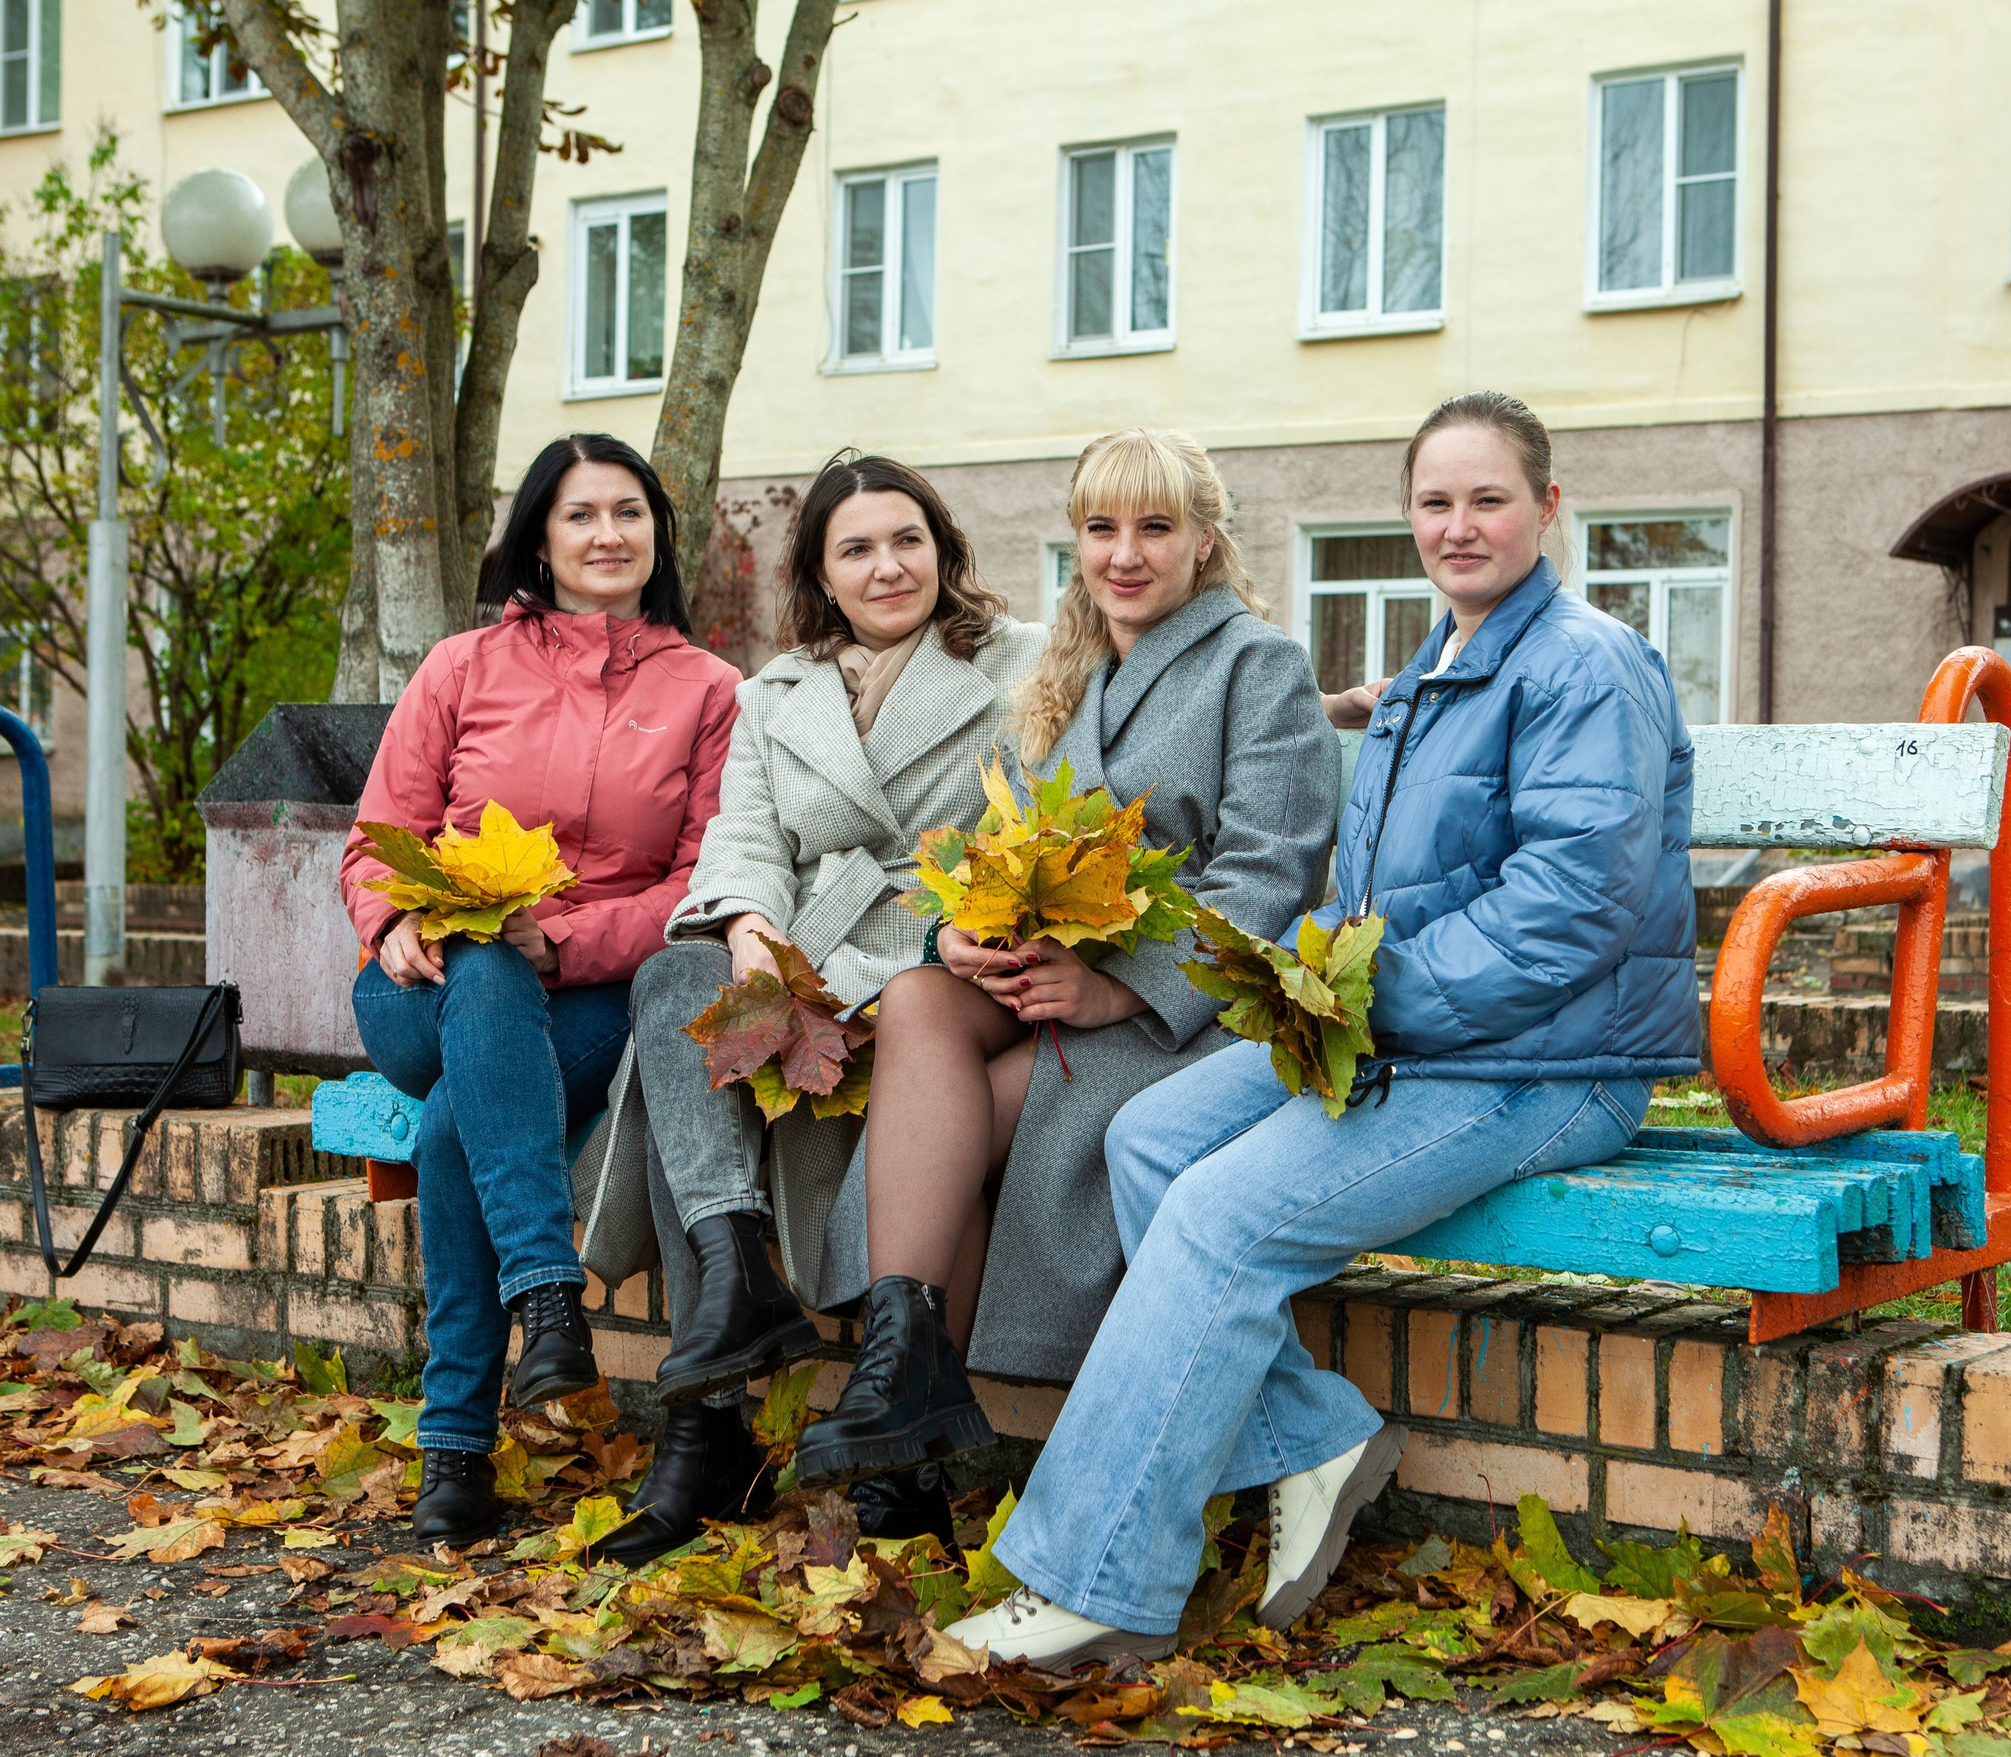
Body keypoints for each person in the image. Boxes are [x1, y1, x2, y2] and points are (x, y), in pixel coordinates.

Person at [948, 392, 1702, 1666]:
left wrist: (1360, 996)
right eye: (1433, 501)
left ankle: (1096, 1581)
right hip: (1420, 1037)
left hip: (1552, 1062)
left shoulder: (1586, 662)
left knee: (1219, 1214)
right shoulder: (1447, 660)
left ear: (1548, 508)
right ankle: (1313, 1435)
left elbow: (1569, 907)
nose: (1457, 525)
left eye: (1488, 498)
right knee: (1146, 1138)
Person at [790, 428, 1340, 1493]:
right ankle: (907, 1385)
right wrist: (957, 926)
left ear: (1205, 542)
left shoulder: (1255, 665)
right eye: (1100, 528)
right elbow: (994, 845)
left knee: (958, 1119)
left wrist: (1114, 984)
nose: (1123, 553)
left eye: (1154, 527)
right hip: (1039, 978)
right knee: (918, 997)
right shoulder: (1064, 672)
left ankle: (904, 1427)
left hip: (1186, 1008)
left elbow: (1267, 880)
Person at [591, 452, 1046, 1566]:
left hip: (931, 970)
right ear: (821, 574)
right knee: (676, 985)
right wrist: (746, 919)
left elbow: (1050, 823)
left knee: (686, 1065)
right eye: (856, 548)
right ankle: (736, 1273)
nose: (886, 565)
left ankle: (708, 1437)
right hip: (794, 952)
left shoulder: (1025, 664)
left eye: (906, 540)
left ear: (944, 549)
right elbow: (742, 836)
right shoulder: (774, 690)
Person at [341, 433, 740, 1549]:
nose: (607, 534)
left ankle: (454, 1442)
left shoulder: (709, 690)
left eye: (628, 511)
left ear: (659, 531)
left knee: (465, 1122)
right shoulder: (460, 667)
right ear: (539, 538)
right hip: (422, 985)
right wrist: (398, 917)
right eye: (580, 515)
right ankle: (544, 1289)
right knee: (477, 965)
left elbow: (704, 878)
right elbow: (376, 840)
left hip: (588, 991)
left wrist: (563, 941)